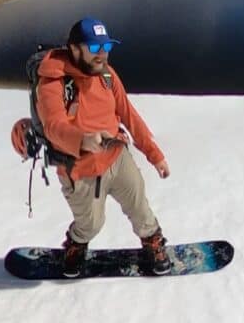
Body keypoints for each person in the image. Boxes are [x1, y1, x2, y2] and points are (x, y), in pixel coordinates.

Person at [35, 17, 172, 277]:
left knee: (140, 208)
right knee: (91, 224)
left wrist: (155, 156)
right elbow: (53, 126)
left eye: (106, 47)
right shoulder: (54, 82)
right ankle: (77, 244)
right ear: (75, 49)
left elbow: (128, 114)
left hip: (117, 158)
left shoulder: (107, 75)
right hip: (80, 169)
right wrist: (83, 139)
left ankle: (152, 242)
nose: (103, 55)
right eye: (95, 48)